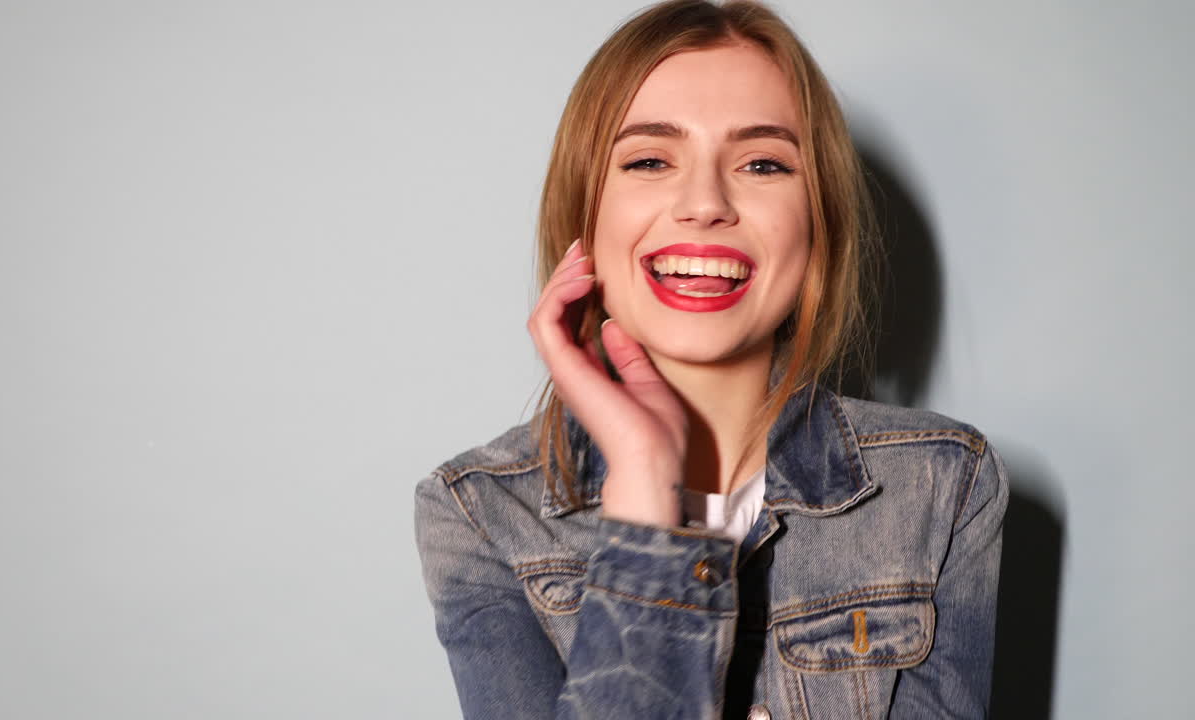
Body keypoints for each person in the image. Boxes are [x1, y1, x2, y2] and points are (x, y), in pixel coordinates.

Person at [413, 1, 1009, 717]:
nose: (704, 203)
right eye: (650, 160)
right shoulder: (479, 513)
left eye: (762, 163)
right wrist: (643, 503)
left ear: (817, 224)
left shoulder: (943, 484)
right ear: (586, 218)